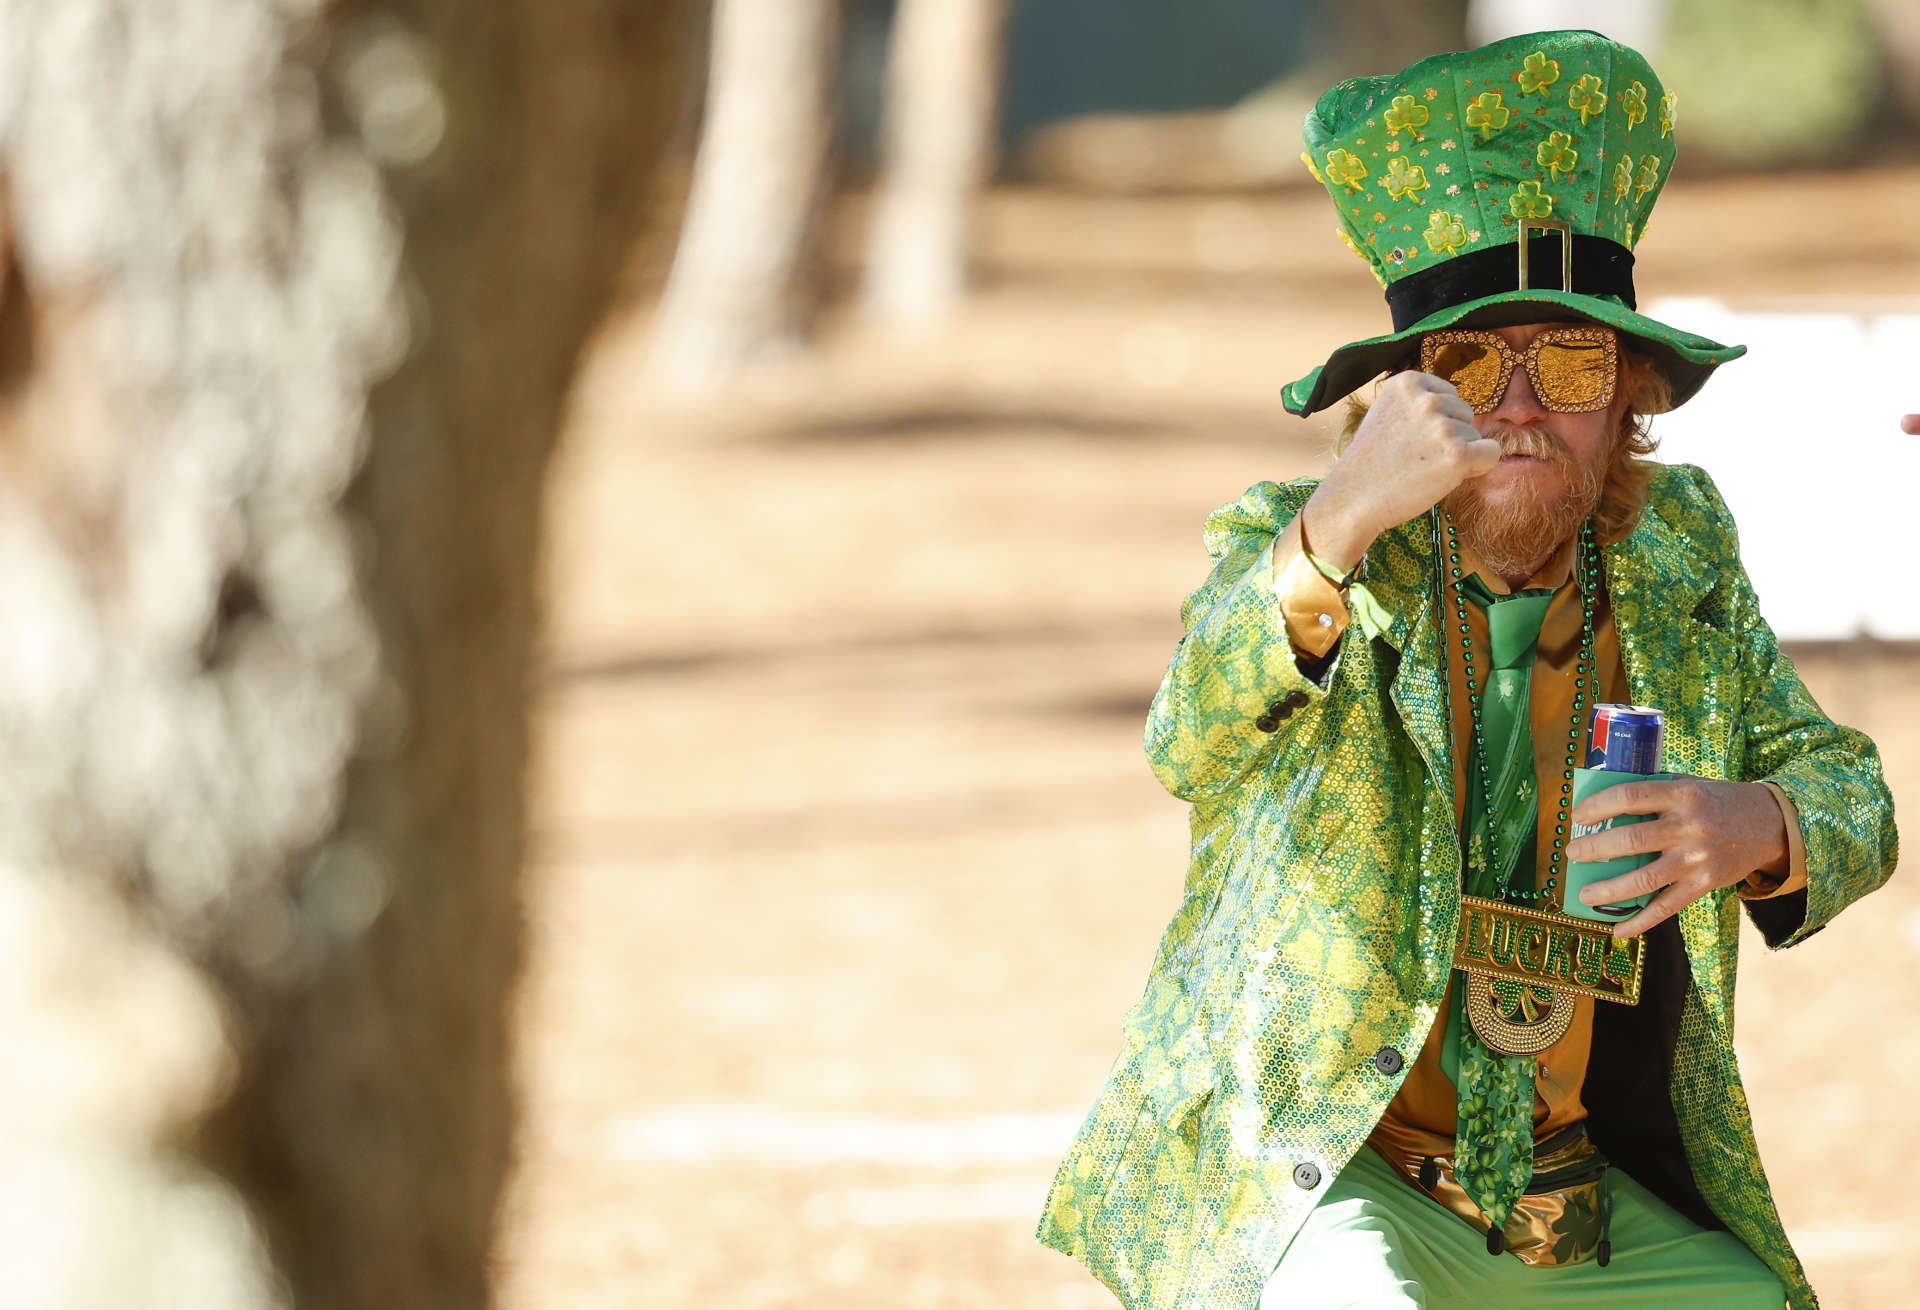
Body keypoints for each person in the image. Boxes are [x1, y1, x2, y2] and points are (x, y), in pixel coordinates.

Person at [1036, 29, 1898, 1310]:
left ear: (1632, 398)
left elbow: (1854, 792)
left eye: (1570, 359)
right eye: (1465, 364)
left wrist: (1756, 821)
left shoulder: (1678, 557)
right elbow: (1187, 738)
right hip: (1327, 1178)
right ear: (1396, 401)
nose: (1518, 405)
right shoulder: (1320, 543)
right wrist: (1336, 519)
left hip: (1575, 1200)